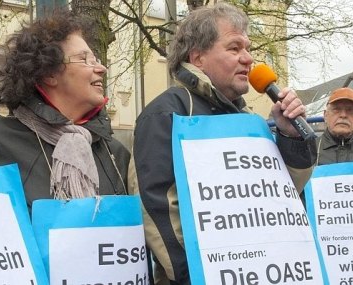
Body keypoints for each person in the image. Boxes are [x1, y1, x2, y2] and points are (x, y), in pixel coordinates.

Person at [130, 3, 314, 284]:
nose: (248, 59)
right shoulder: (168, 112)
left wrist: (291, 138)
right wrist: (202, 274)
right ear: (198, 57)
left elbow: (279, 199)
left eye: (248, 48)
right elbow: (158, 210)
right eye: (234, 48)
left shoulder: (248, 119)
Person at [0, 10, 129, 204]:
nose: (101, 69)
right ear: (49, 73)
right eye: (84, 60)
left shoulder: (115, 153)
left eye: (96, 60)